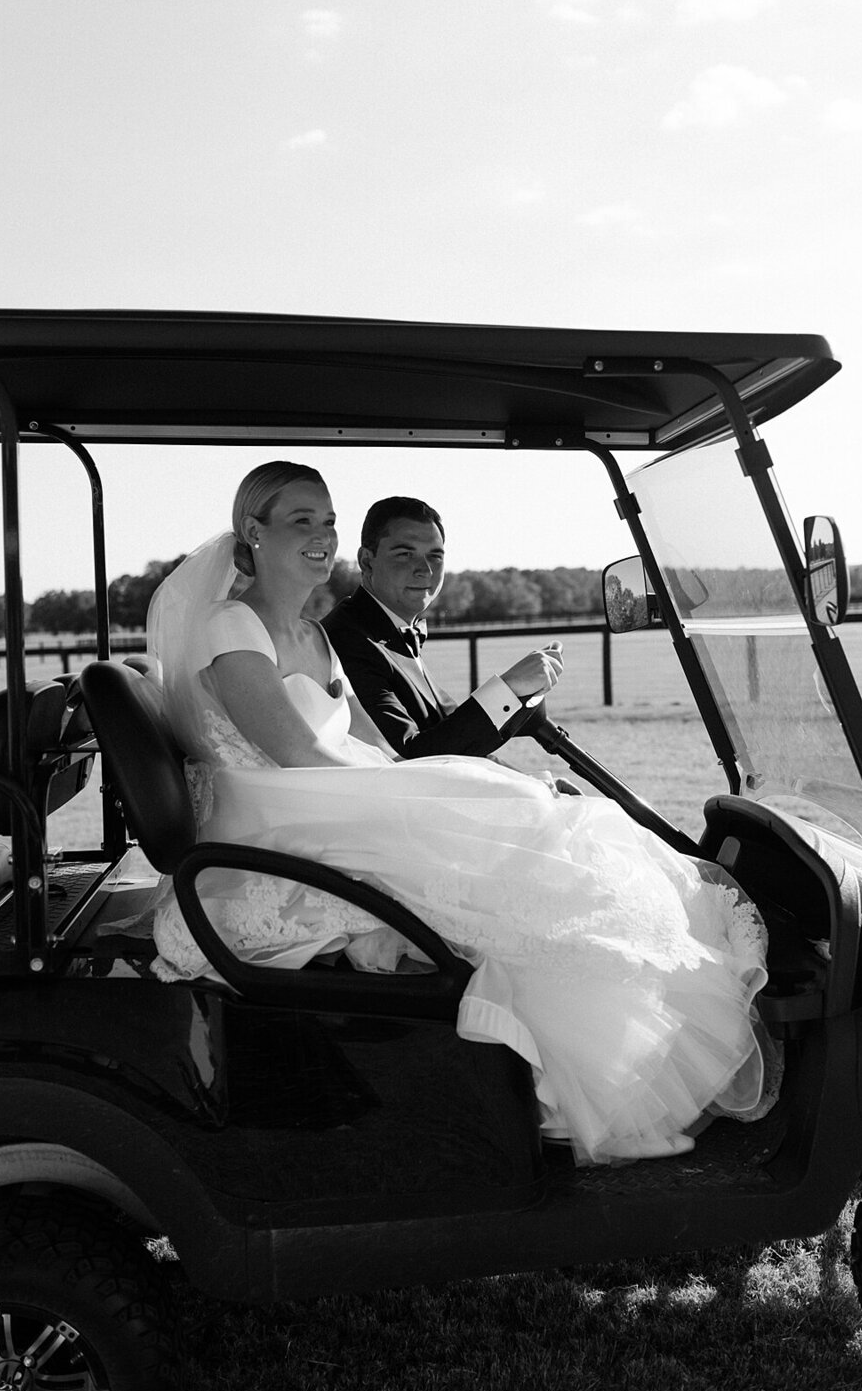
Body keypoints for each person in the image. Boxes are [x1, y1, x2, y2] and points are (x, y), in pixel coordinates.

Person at [146, 461, 776, 1166]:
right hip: (283, 825)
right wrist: (434, 801)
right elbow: (296, 755)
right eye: (302, 521)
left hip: (329, 807)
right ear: (253, 533)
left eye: (327, 520)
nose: (321, 536)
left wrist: (459, 792)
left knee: (539, 826)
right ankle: (563, 1082)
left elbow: (380, 752)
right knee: (525, 856)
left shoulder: (314, 635)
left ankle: (560, 1071)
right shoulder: (233, 627)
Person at [322, 496, 564, 759]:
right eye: (405, 554)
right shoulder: (349, 639)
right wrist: (509, 687)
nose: (424, 570)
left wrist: (539, 783)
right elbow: (411, 758)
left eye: (435, 556)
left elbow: (449, 730)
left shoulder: (390, 630)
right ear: (367, 561)